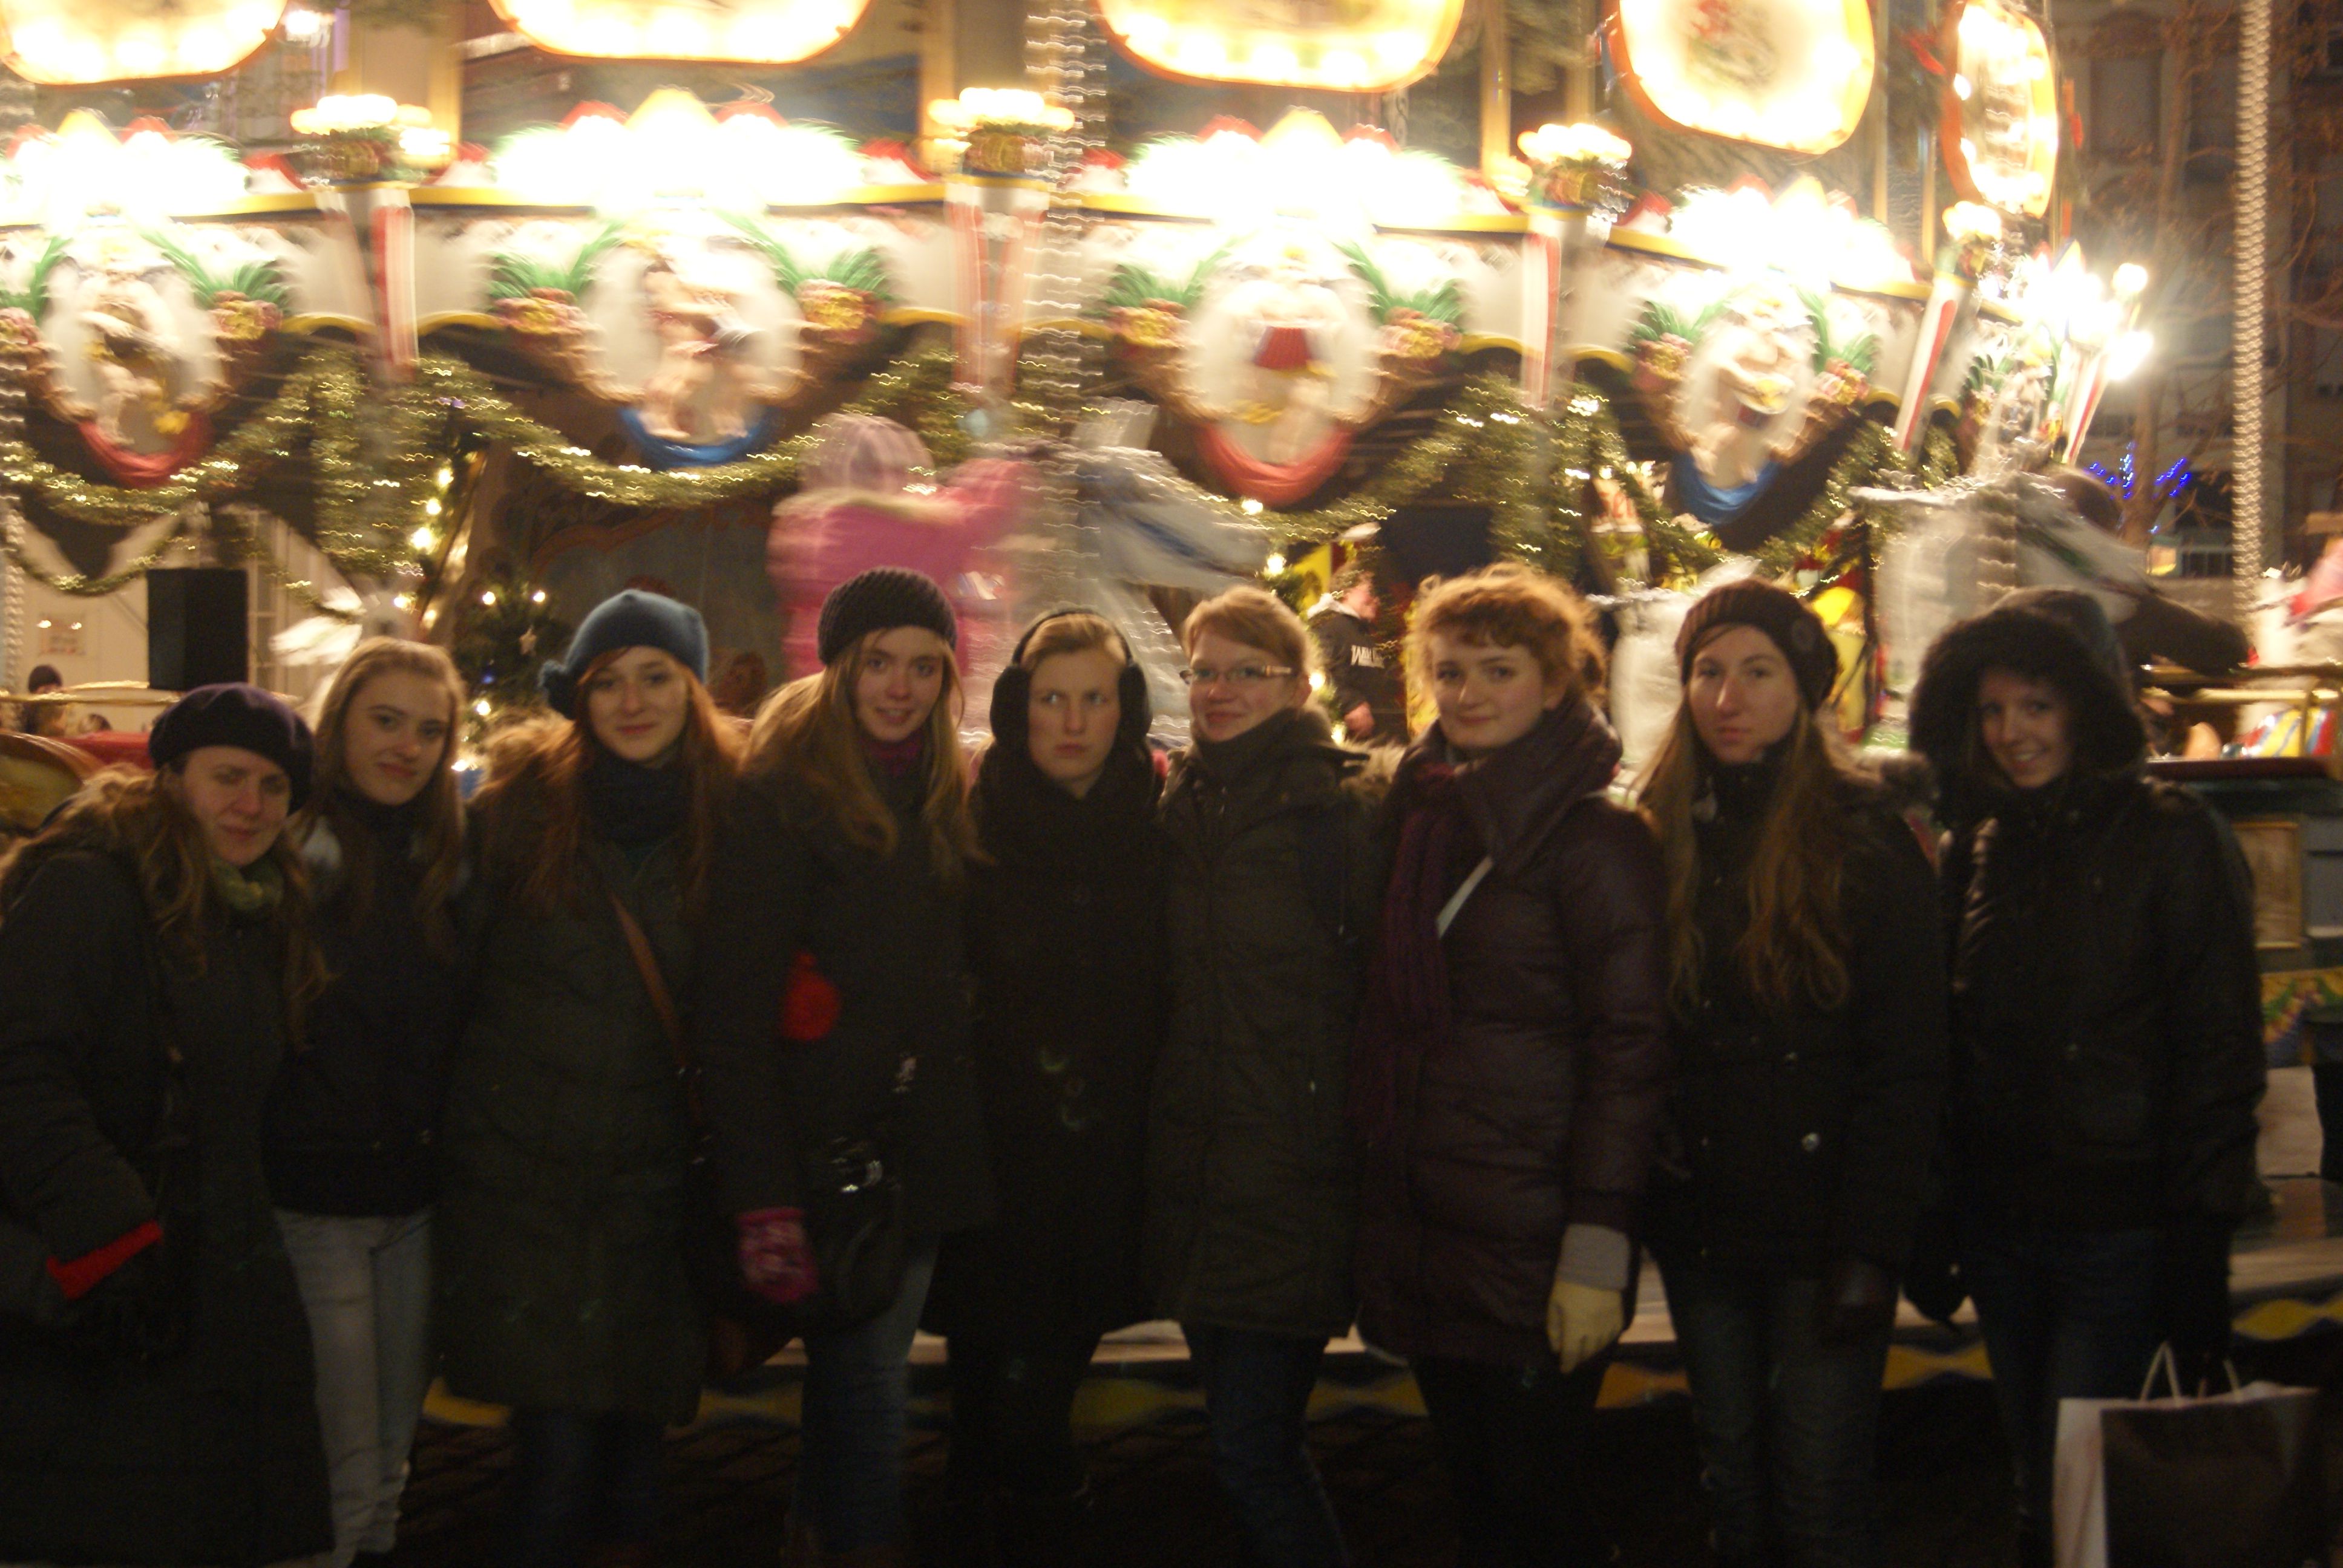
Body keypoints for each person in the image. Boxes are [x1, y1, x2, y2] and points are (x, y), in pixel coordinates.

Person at [1909, 588, 2264, 1568]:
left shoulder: (2172, 836)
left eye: (2036, 704)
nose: (2011, 732)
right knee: (2041, 1488)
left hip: (2118, 1230)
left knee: (2085, 1494)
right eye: (1990, 709)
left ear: (2086, 703)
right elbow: (1951, 1043)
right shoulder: (1980, 845)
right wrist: (1936, 1207)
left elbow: (2215, 1046)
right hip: (2002, 1226)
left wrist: (2201, 1239)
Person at [1352, 564, 1671, 1568]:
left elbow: (1629, 1052)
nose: (1469, 693)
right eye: (1449, 672)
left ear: (1556, 680)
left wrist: (1597, 1245)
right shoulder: (1418, 819)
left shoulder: (1595, 838)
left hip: (1538, 1239)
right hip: (1436, 1231)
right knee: (1480, 1505)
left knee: (1539, 1508)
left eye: (1499, 670)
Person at [1639, 581, 1948, 1568]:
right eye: (1708, 672)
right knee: (1731, 1477)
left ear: (1805, 689)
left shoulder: (1866, 837)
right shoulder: (1657, 829)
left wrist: (1872, 1245)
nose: (1728, 698)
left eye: (1757, 672)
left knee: (1818, 1491)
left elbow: (1905, 1060)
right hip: (1706, 1223)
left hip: (1822, 1230)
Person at [434, 590, 741, 1568]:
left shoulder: (735, 819)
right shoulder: (518, 813)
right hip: (531, 1194)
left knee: (636, 1470)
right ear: (580, 696)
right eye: (609, 682)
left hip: (659, 1197)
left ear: (692, 691)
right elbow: (451, 979)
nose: (633, 702)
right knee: (557, 1460)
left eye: (657, 678)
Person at [696, 566, 995, 1567]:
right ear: (839, 669)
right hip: (824, 1154)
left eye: (923, 666)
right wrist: (763, 1197)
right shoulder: (782, 796)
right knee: (867, 1381)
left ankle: (816, 1534)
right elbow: (732, 1016)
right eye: (879, 663)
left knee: (857, 1375)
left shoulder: (943, 791)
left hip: (921, 1146)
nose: (900, 687)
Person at [0, 684, 333, 1565]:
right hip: (113, 1280)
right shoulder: (90, 885)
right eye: (229, 777)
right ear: (173, 777)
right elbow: (18, 1069)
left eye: (273, 786)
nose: (251, 804)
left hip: (212, 1276)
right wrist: (113, 1234)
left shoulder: (256, 905)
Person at [1149, 584, 1386, 1568]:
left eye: (1247, 671)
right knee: (1243, 1439)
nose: (1220, 690)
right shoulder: (1178, 805)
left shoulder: (1341, 813)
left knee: (1254, 1449)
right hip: (1201, 1178)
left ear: (1297, 685)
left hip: (1294, 1177)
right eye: (1204, 671)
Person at [926, 610, 1166, 1564]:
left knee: (1032, 1413)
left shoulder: (1159, 825)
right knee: (978, 1415)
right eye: (1051, 698)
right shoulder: (968, 819)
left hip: (1102, 1168)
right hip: (988, 1164)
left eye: (1094, 699)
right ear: (1016, 706)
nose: (1071, 722)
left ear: (1124, 708)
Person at [266, 639, 467, 1568]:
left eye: (428, 731)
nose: (407, 747)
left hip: (415, 1199)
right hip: (318, 1198)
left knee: (391, 1462)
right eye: (385, 721)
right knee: (340, 1468)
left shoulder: (447, 863)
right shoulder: (289, 858)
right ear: (339, 722)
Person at [1308, 561, 1406, 745]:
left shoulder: (1368, 635)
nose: (1377, 600)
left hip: (1381, 740)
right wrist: (1350, 704)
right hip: (1349, 743)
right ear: (1347, 590)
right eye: (1370, 591)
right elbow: (1319, 672)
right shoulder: (1328, 627)